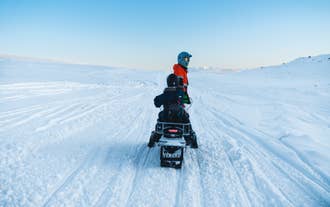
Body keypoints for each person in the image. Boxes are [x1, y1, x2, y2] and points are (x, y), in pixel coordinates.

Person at [147, 73, 198, 148]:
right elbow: (185, 100)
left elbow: (156, 103)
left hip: (166, 118)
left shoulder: (165, 94)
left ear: (168, 82)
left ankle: (155, 136)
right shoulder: (180, 93)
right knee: (186, 118)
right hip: (179, 119)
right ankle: (191, 138)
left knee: (160, 116)